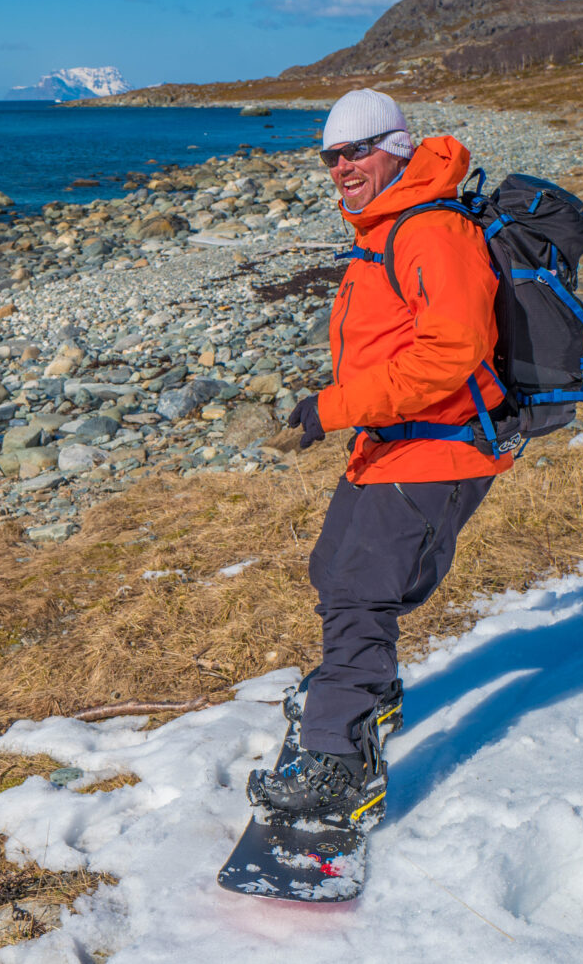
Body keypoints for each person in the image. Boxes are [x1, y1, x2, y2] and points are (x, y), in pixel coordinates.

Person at [246, 89, 513, 823]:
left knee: (363, 592)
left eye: (357, 150)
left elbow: (452, 353)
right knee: (334, 568)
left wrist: (332, 409)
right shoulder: (386, 226)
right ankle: (371, 691)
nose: (341, 167)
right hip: (389, 439)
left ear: (396, 147)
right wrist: (337, 408)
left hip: (437, 446)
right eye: (331, 155)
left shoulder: (429, 230)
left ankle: (342, 769)